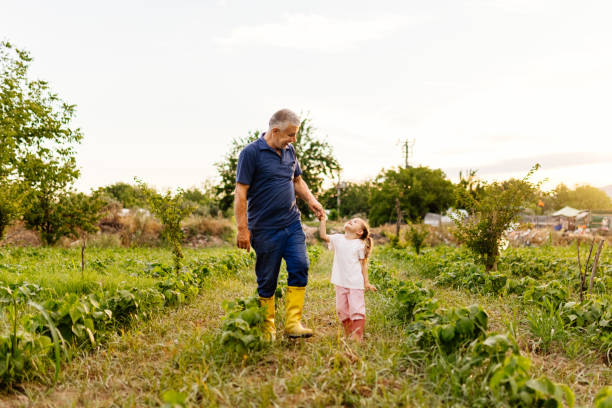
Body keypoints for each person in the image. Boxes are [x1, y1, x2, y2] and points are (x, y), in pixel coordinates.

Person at [235, 109, 325, 341]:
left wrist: (312, 200)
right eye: (291, 134)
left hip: (292, 223)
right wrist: (242, 229)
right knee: (267, 278)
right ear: (275, 131)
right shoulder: (251, 153)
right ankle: (268, 327)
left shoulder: (290, 151)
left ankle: (293, 323)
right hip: (264, 229)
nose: (294, 140)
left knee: (300, 265)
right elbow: (240, 193)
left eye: (295, 135)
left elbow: (297, 180)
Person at [319, 216, 376, 341]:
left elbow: (363, 264)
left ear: (359, 232)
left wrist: (366, 282)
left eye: (356, 221)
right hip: (340, 282)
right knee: (341, 310)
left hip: (355, 283)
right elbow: (323, 236)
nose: (351, 220)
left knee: (356, 308)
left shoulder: (359, 244)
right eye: (352, 219)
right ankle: (349, 333)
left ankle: (357, 336)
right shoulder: (338, 238)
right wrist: (323, 220)